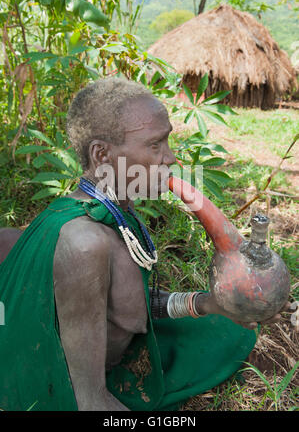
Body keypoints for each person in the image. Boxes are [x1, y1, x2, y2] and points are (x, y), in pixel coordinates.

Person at [0, 78, 286, 411]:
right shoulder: (85, 244)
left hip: (105, 348)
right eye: (155, 145)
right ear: (102, 154)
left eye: (167, 141)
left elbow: (126, 302)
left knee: (227, 332)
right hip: (56, 381)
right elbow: (87, 400)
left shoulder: (118, 210)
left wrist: (209, 304)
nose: (171, 158)